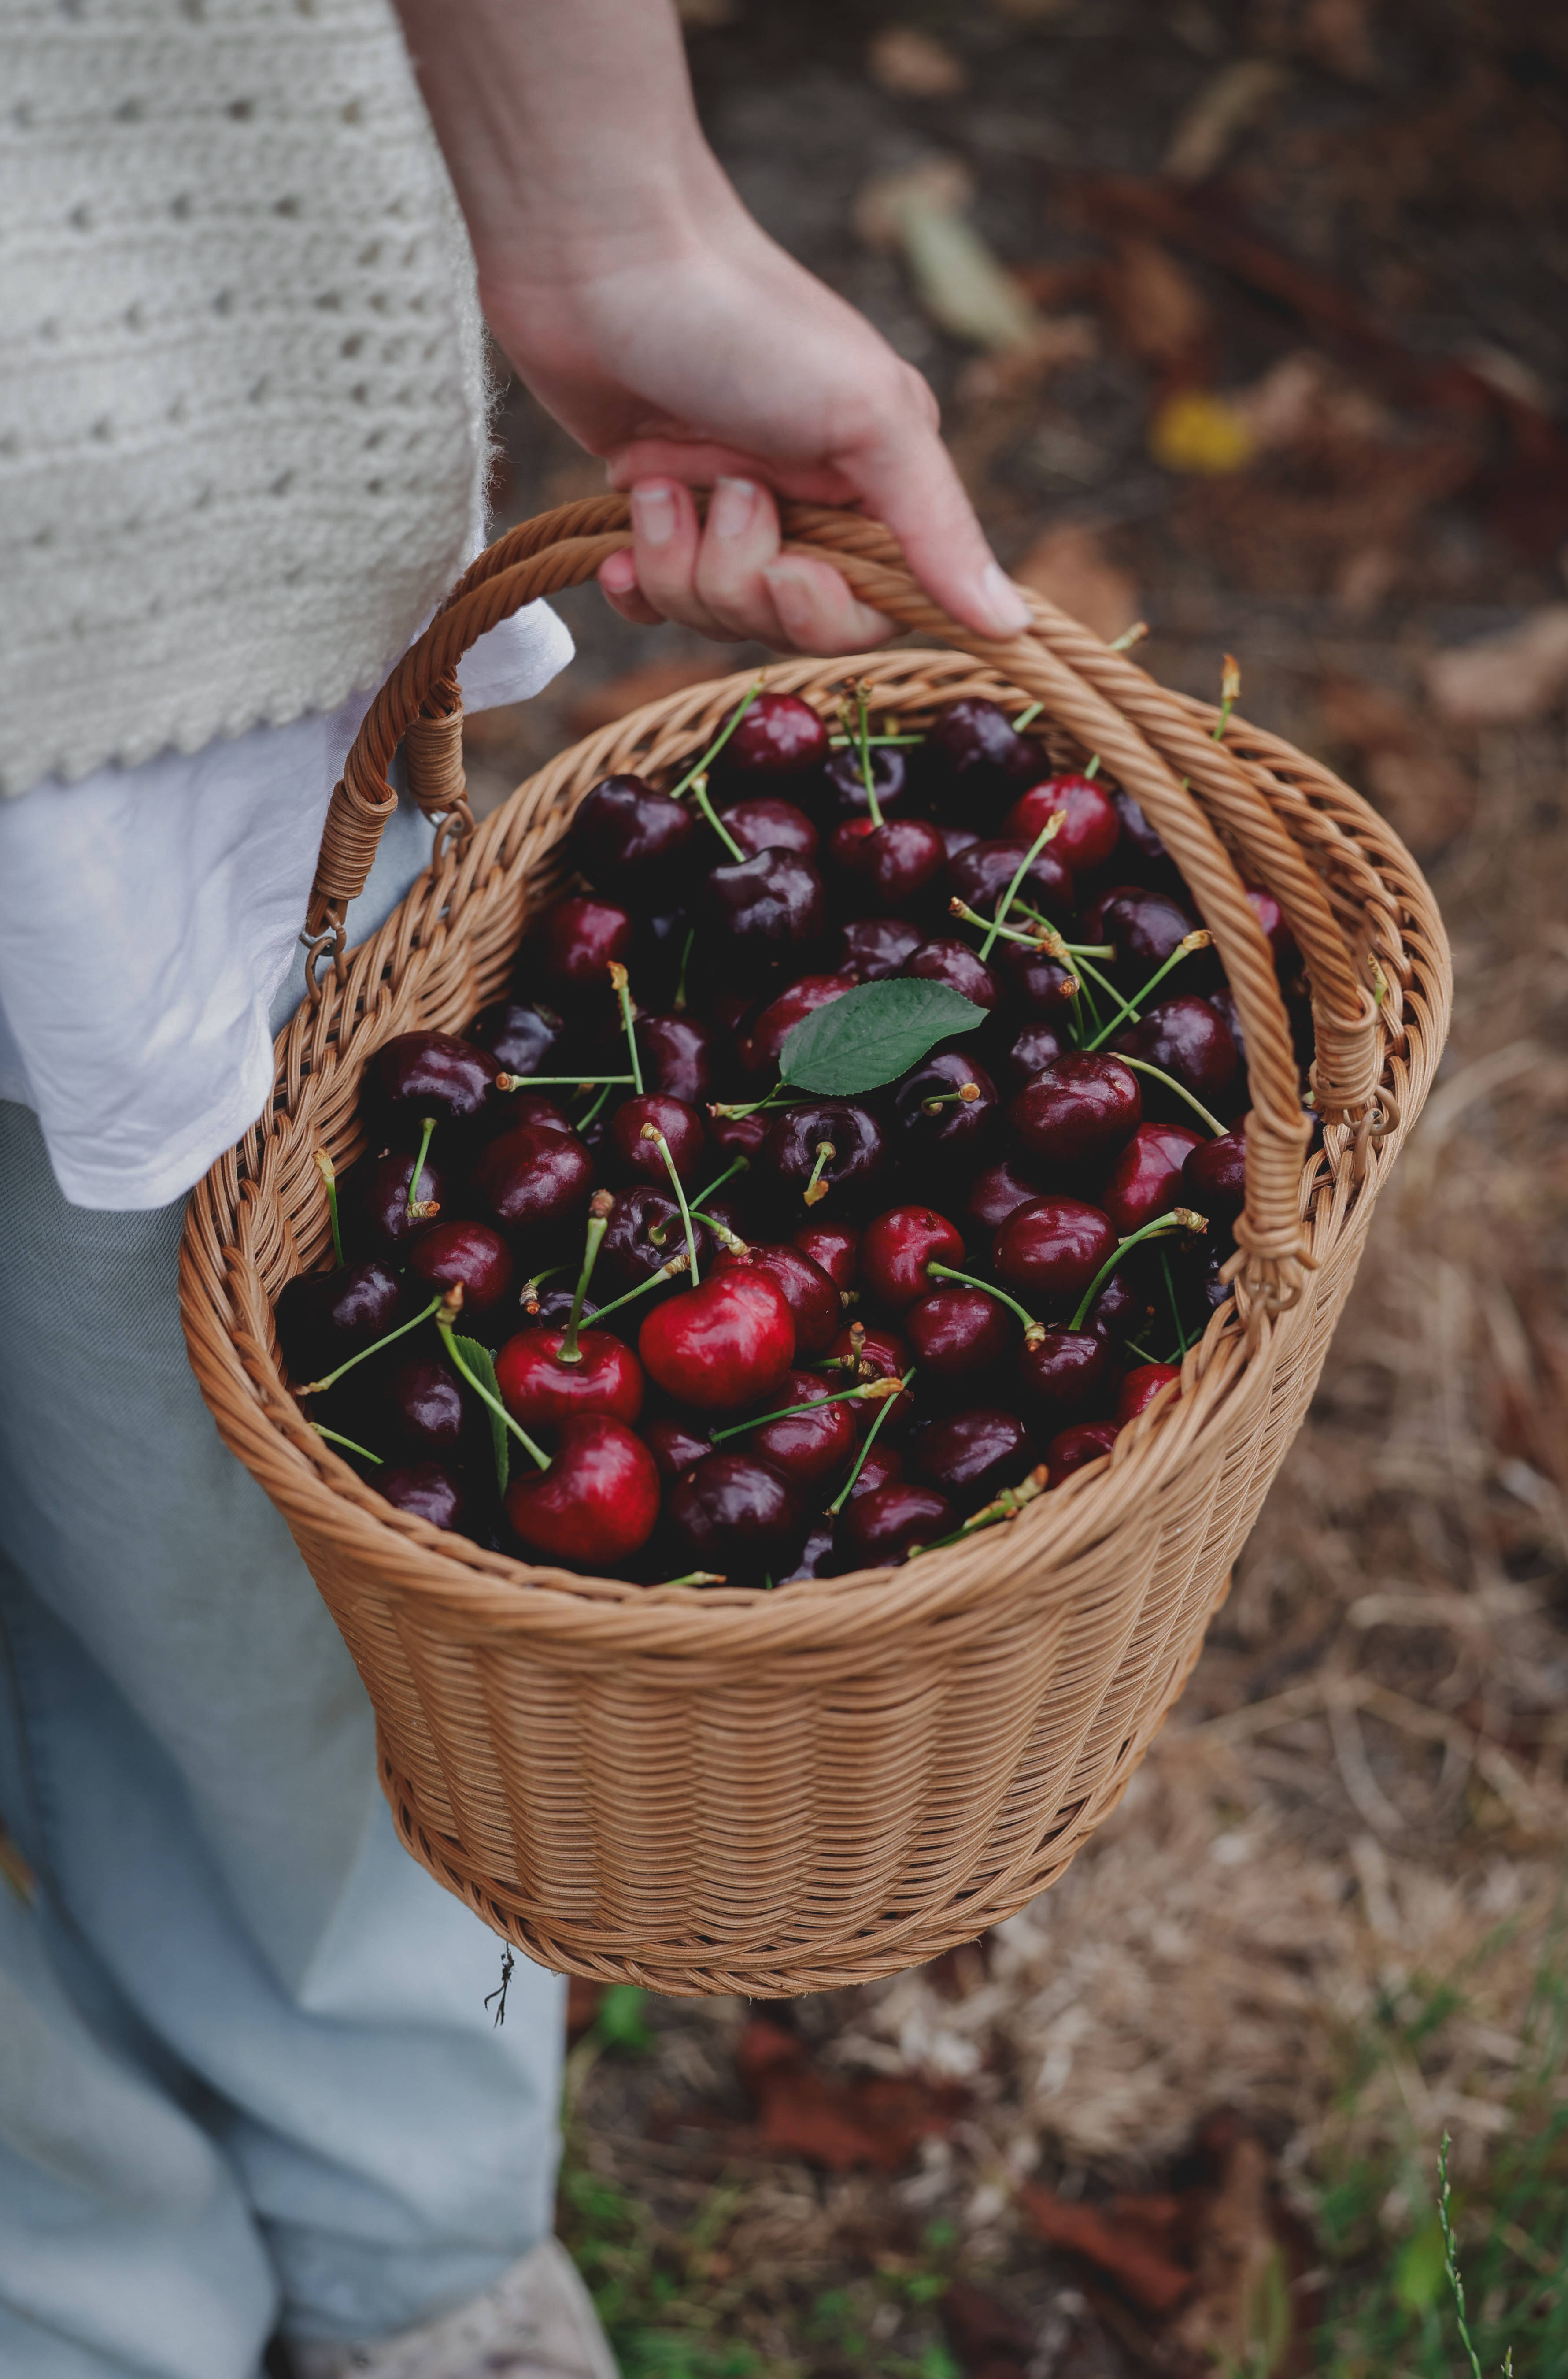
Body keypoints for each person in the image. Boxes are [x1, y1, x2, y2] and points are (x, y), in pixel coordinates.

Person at [0, 5, 1029, 2375]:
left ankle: (403, 2202)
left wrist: (611, 203)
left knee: (245, 1487)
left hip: (115, 444)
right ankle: (73, 2294)